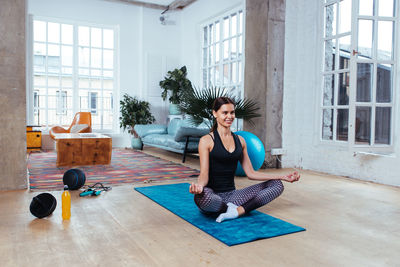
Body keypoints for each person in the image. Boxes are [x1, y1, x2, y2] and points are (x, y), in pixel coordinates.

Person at [189, 97, 300, 223]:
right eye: (225, 113)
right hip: (212, 196)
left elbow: (251, 173)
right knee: (204, 198)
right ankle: (226, 209)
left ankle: (237, 211)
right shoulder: (206, 140)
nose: (229, 116)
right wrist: (199, 187)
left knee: (276, 185)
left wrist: (282, 176)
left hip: (233, 196)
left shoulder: (240, 141)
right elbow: (204, 174)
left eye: (232, 112)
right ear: (215, 113)